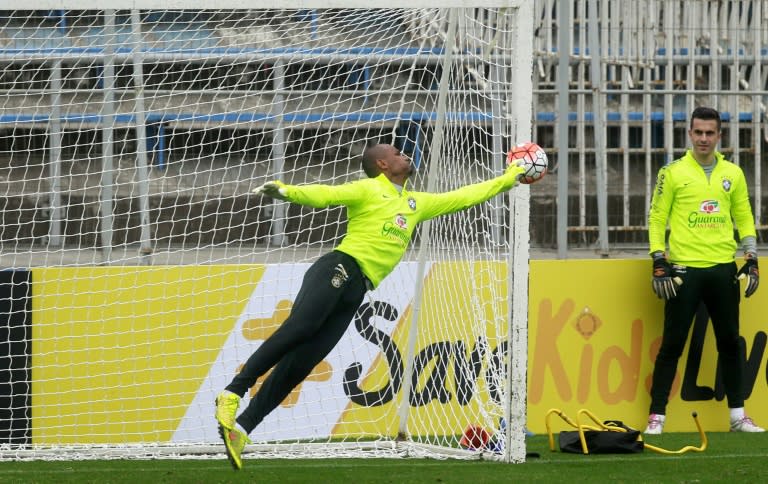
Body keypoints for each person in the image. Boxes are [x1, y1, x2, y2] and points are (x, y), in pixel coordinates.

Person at [215, 143, 527, 469]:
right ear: (382, 164)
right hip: (339, 266)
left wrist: (508, 179)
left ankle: (241, 428)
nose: (405, 154)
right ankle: (232, 393)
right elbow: (326, 195)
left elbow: (465, 196)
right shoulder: (367, 189)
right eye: (396, 152)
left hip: (357, 290)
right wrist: (286, 192)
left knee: (302, 363)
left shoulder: (414, 203)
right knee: (301, 328)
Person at [645, 106, 764, 435]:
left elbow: (744, 218)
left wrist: (751, 257)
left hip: (723, 270)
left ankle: (738, 416)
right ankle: (657, 417)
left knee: (729, 343)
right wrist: (658, 259)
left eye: (710, 133)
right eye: (698, 132)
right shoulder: (671, 172)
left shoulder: (734, 174)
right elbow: (657, 219)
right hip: (684, 271)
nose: (704, 138)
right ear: (689, 133)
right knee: (672, 345)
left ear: (719, 136)